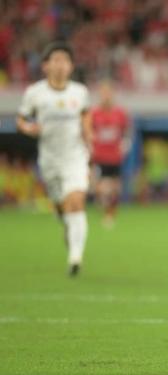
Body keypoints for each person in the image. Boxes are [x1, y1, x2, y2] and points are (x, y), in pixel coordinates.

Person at [16, 41, 93, 276]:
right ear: (45, 66)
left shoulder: (79, 92)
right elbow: (21, 119)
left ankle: (75, 258)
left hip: (75, 157)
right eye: (56, 60)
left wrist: (89, 136)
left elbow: (86, 116)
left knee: (76, 201)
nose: (61, 65)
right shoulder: (35, 93)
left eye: (65, 60)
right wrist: (28, 128)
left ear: (71, 66)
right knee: (62, 208)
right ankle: (67, 223)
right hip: (49, 161)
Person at [90, 81, 130, 228]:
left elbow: (126, 132)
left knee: (115, 188)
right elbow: (88, 132)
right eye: (103, 93)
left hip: (115, 157)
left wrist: (125, 145)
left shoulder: (120, 113)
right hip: (99, 157)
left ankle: (110, 215)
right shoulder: (94, 113)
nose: (106, 96)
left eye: (108, 93)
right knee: (101, 187)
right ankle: (103, 206)